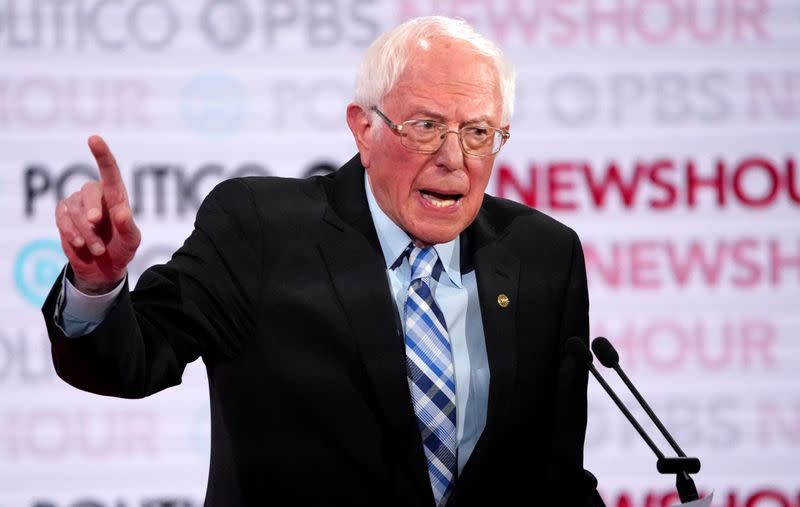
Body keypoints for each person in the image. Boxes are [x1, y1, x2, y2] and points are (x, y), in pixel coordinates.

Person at [42, 16, 604, 507]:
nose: (453, 159)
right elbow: (133, 361)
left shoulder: (541, 255)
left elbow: (552, 478)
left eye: (479, 133)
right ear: (364, 128)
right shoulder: (261, 228)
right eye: (427, 127)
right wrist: (98, 283)